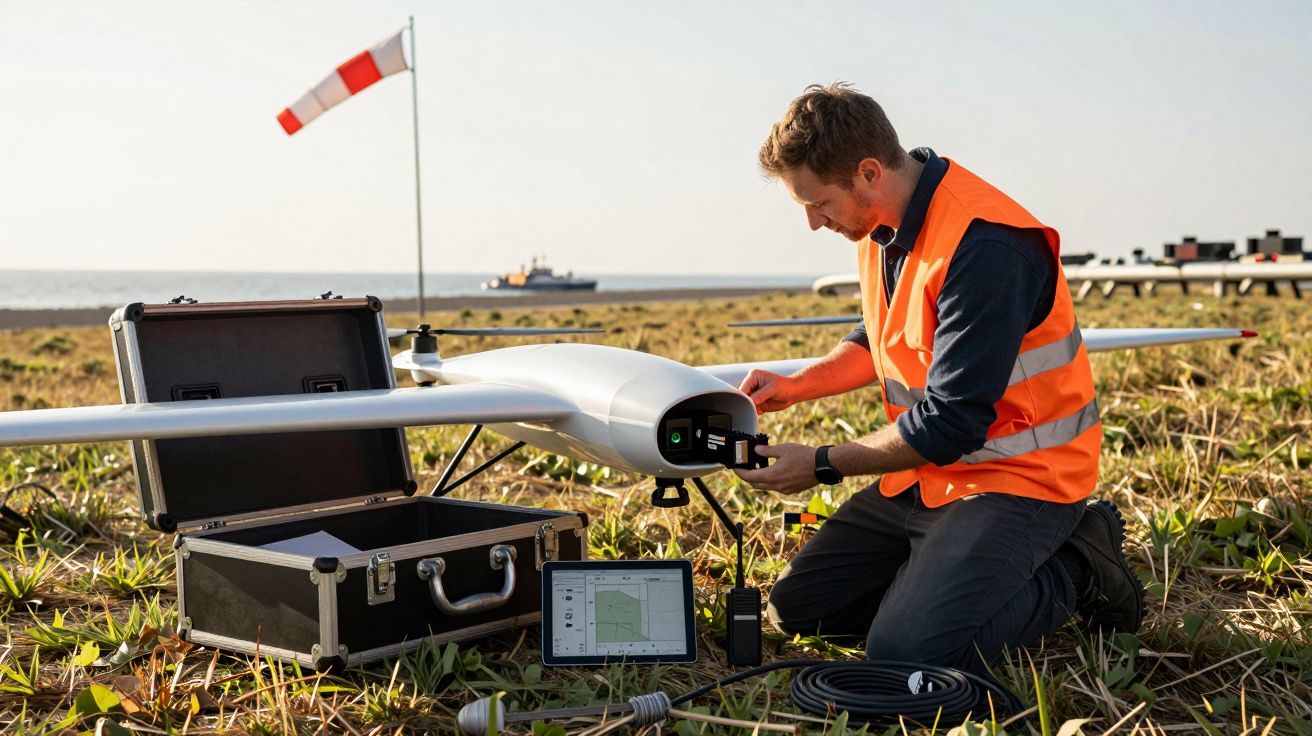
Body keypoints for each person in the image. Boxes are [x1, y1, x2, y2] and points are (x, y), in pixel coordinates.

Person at [735, 83, 1144, 675]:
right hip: (930, 474)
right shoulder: (883, 227)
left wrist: (820, 463)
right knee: (800, 610)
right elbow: (884, 334)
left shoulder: (988, 245)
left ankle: (1078, 566)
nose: (812, 222)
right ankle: (937, 581)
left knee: (910, 654)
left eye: (817, 203)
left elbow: (950, 421)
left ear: (869, 172)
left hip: (1020, 480)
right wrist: (798, 385)